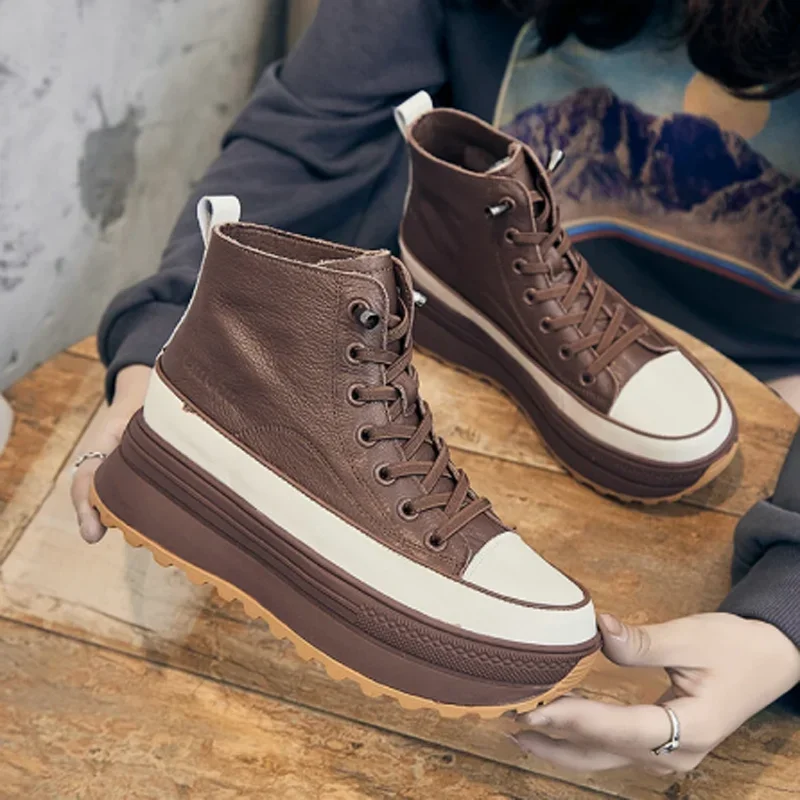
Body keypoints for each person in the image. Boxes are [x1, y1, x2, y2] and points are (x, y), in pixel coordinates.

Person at [71, 0, 800, 776]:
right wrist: (167, 350)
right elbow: (309, 137)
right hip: (431, 302)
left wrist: (783, 616)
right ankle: (456, 300)